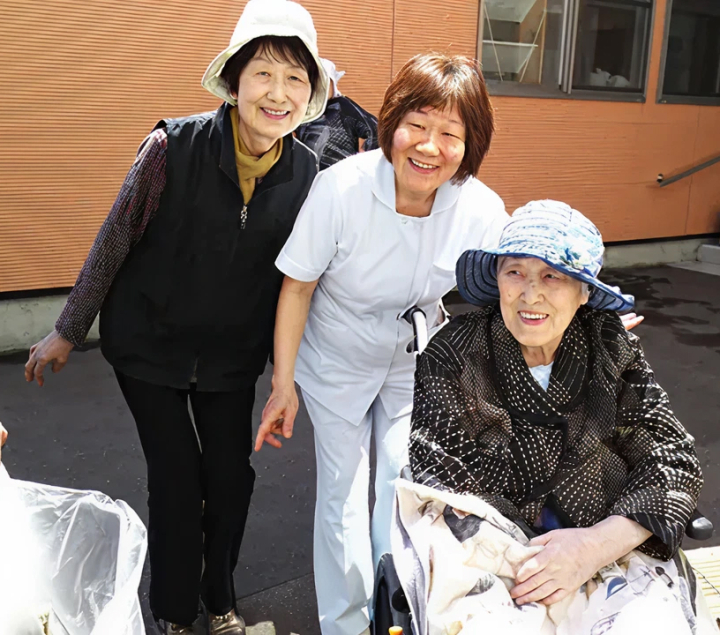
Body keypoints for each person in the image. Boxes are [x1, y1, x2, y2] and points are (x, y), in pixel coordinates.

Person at [23, 1, 329, 633]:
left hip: (230, 355)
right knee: (177, 481)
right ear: (235, 82)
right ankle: (173, 613)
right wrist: (67, 329)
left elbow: (301, 282)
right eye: (263, 74)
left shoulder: (306, 173)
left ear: (310, 94)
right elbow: (115, 237)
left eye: (295, 78)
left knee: (231, 480)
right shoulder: (171, 147)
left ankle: (219, 601)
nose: (278, 93)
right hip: (149, 346)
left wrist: (288, 378)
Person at [256, 53, 508, 635]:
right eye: (417, 125)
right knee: (342, 494)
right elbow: (297, 287)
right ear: (392, 124)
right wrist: (283, 384)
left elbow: (519, 279)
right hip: (336, 353)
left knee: (403, 486)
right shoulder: (341, 187)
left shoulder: (480, 208)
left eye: (451, 134)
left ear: (470, 144)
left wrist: (581, 320)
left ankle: (396, 613)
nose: (429, 146)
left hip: (414, 358)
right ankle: (346, 624)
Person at [407, 200, 708, 633]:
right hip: (494, 553)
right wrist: (536, 560)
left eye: (553, 276)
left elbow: (671, 457)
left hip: (607, 545)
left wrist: (594, 545)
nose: (530, 295)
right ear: (497, 280)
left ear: (584, 292)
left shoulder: (608, 344)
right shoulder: (455, 352)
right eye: (515, 272)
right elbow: (439, 475)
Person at [295, 58, 378, 170]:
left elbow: (376, 129)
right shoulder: (304, 109)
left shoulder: (343, 106)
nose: (319, 87)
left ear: (332, 83)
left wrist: (366, 162)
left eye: (323, 81)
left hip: (340, 176)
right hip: (308, 176)